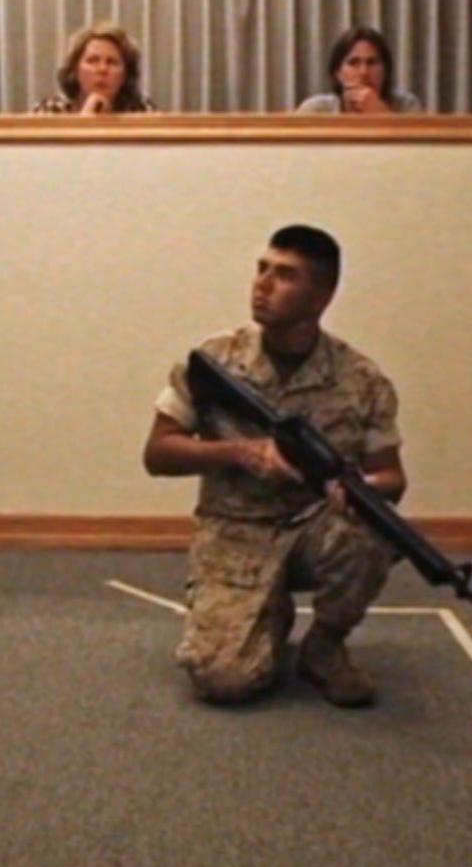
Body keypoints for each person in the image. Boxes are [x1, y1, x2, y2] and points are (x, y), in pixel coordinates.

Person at [143, 226, 406, 708]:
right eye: (262, 269)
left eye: (285, 275)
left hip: (314, 529)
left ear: (322, 295)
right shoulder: (214, 361)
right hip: (234, 531)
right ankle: (267, 614)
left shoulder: (362, 380)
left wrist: (361, 490)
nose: (262, 283)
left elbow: (392, 476)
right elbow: (157, 454)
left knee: (377, 528)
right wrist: (241, 453)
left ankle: (325, 647)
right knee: (225, 682)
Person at [31, 21, 156, 115]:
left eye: (112, 62)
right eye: (92, 61)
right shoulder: (49, 111)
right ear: (75, 70)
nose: (102, 69)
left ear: (126, 74)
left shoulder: (142, 111)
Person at [295, 26, 423, 115]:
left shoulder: (407, 106)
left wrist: (381, 114)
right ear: (338, 73)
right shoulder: (315, 110)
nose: (363, 72)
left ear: (385, 71)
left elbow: (419, 152)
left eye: (372, 62)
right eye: (353, 63)